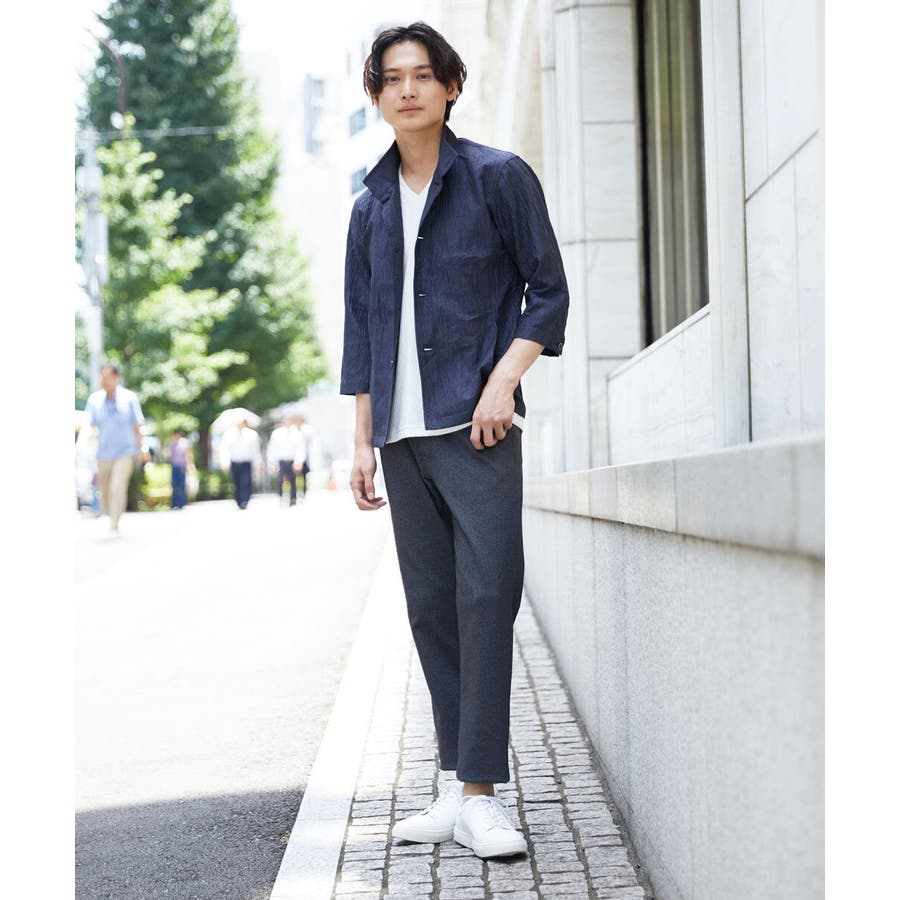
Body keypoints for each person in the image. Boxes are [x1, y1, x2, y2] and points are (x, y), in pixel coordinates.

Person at [341, 23, 568, 860]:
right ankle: (453, 784)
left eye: (422, 75)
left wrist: (503, 382)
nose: (408, 90)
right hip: (400, 440)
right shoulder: (368, 207)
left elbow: (548, 292)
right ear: (377, 95)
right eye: (392, 78)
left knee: (486, 600)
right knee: (432, 610)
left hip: (476, 431)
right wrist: (362, 441)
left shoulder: (497, 177)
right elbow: (361, 332)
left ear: (450, 87)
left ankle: (481, 795)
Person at [85, 361, 149, 532]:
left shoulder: (130, 398)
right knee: (105, 492)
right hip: (103, 453)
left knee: (117, 486)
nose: (104, 380)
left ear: (116, 377)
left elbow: (137, 425)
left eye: (107, 377)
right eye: (102, 377)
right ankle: (111, 514)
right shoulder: (94, 400)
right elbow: (91, 427)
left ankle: (115, 522)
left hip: (125, 452)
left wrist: (142, 448)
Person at [219, 417, 261, 509]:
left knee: (246, 482)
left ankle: (245, 500)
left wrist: (257, 464)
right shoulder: (229, 434)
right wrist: (225, 462)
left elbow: (256, 451)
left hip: (246, 462)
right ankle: (238, 500)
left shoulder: (252, 434)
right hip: (234, 462)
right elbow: (224, 449)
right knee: (236, 482)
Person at [268, 417, 307, 506]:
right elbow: (272, 448)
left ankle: (293, 498)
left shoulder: (297, 433)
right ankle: (281, 496)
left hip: (292, 460)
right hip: (281, 460)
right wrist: (272, 462)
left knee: (293, 480)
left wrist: (299, 461)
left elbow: (300, 448)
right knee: (280, 480)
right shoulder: (276, 433)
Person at [167, 428, 195, 510]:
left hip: (182, 466)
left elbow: (188, 454)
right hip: (174, 466)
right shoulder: (171, 444)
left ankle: (182, 503)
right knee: (174, 485)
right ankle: (175, 503)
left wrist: (190, 464)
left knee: (182, 485)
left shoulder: (184, 443)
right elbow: (170, 455)